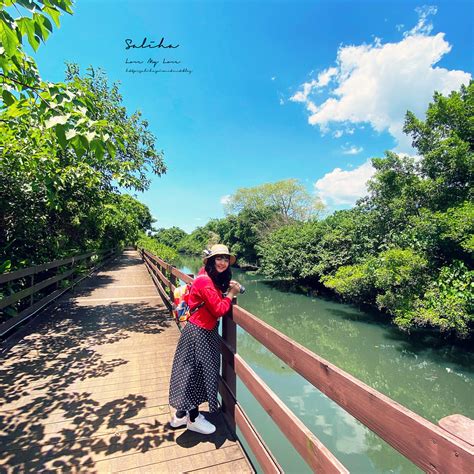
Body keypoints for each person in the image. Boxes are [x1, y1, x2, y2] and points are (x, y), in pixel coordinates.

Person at [168, 244, 242, 434]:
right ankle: (193, 419)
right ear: (210, 260)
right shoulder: (205, 282)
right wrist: (231, 295)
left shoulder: (205, 275)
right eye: (219, 258)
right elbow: (218, 309)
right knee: (195, 373)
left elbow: (215, 292)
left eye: (226, 259)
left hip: (199, 331)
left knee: (190, 371)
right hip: (199, 333)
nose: (223, 262)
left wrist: (228, 287)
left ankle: (180, 414)